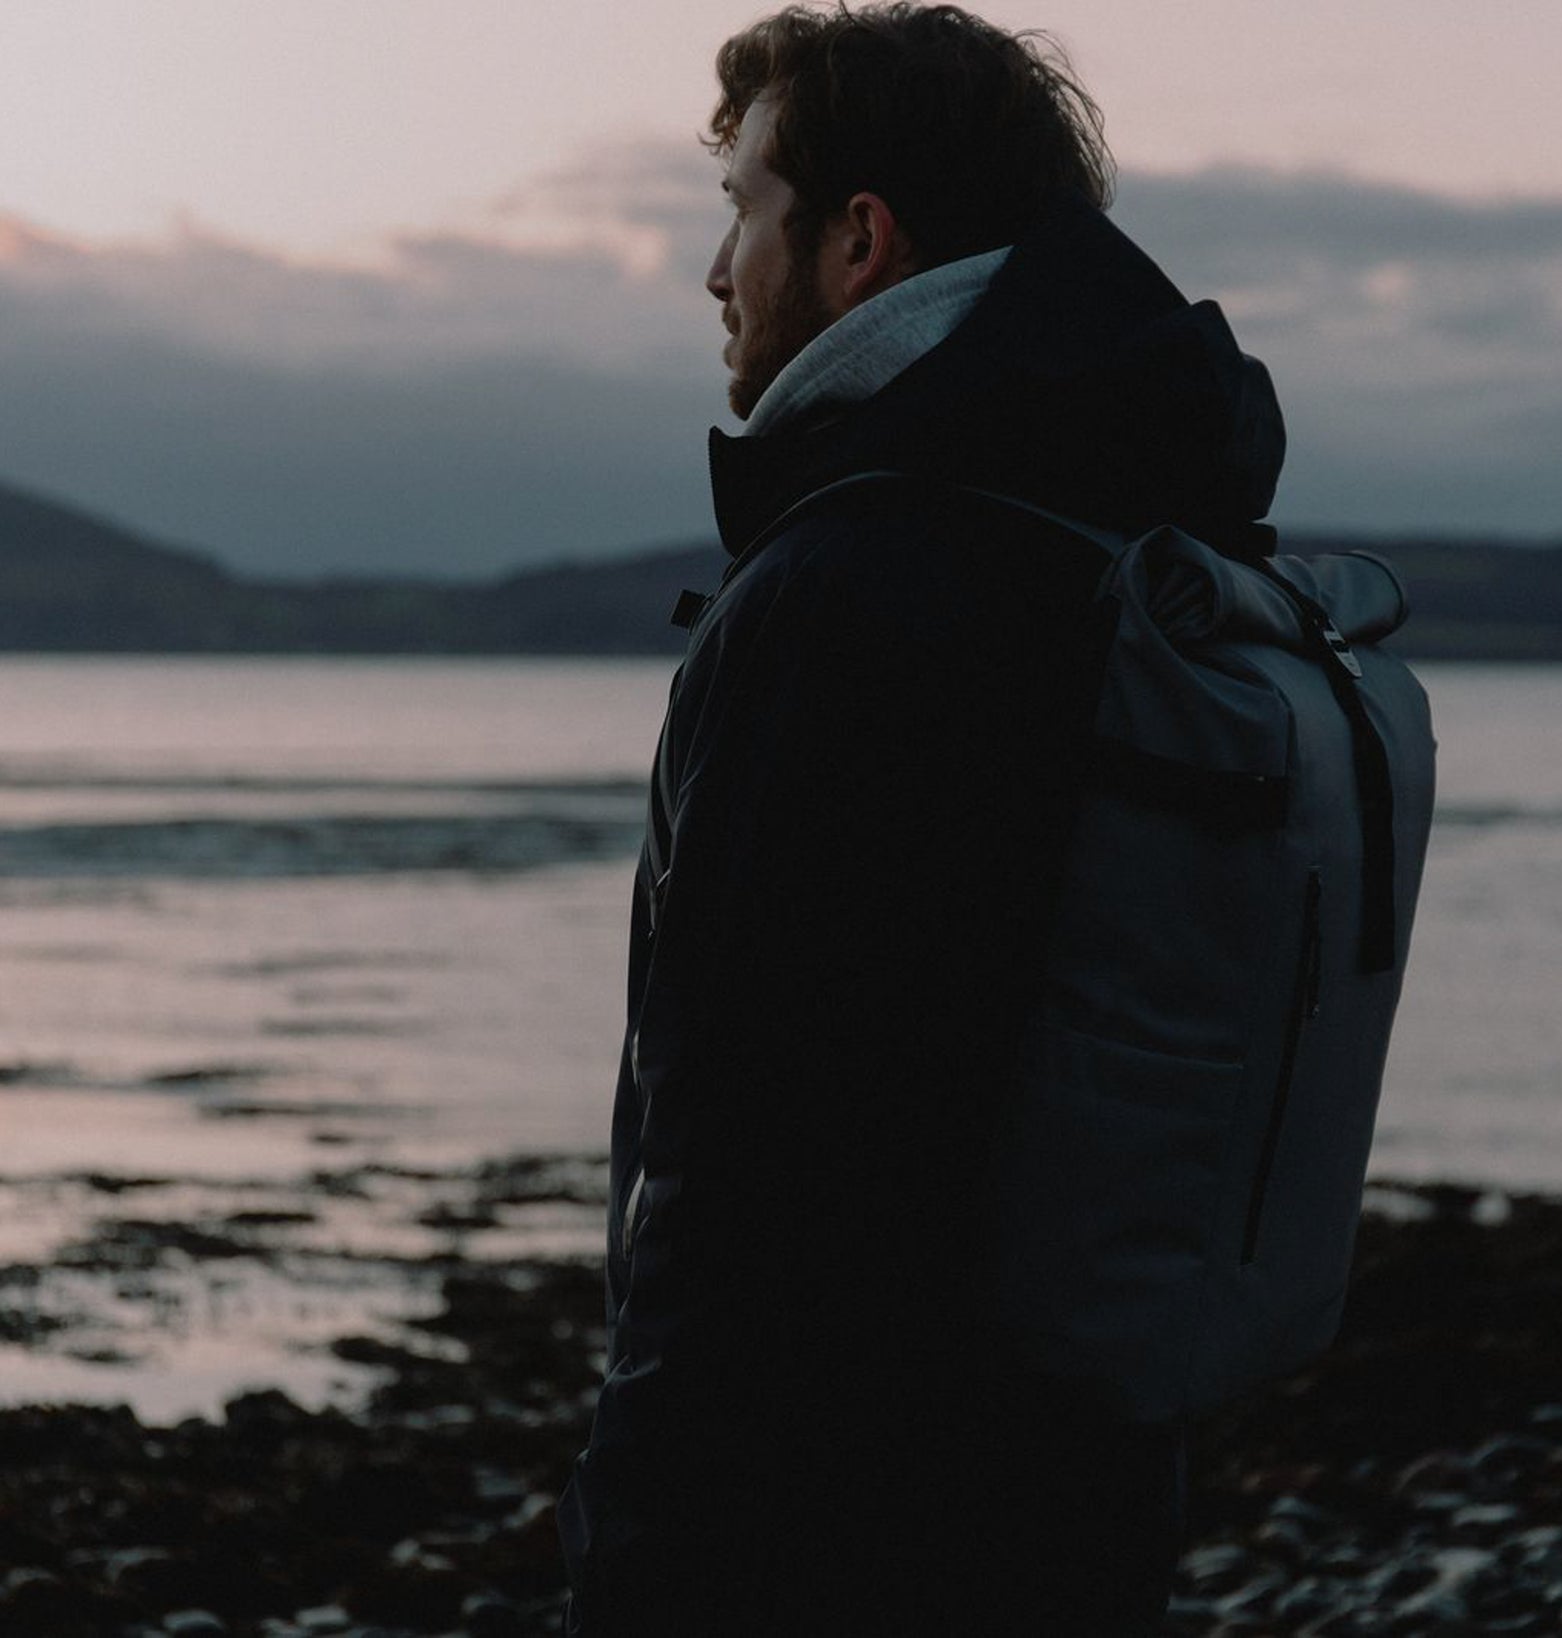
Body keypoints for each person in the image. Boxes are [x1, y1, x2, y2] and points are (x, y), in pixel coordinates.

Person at [558, 6, 1288, 1633]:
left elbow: (747, 1161)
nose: (714, 269)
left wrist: (639, 1550)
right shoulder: (1113, 540)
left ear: (859, 242)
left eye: (745, 208)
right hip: (1078, 1494)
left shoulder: (853, 590)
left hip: (820, 1527)